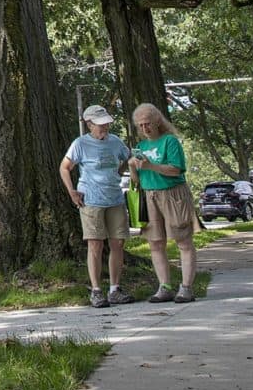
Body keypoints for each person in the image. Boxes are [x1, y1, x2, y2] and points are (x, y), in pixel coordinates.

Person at [60, 104, 135, 307]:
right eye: (100, 125)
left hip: (115, 199)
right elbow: (65, 167)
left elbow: (128, 158)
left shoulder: (115, 142)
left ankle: (115, 289)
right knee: (95, 244)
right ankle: (96, 290)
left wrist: (119, 172)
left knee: (118, 242)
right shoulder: (80, 144)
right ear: (89, 124)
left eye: (106, 124)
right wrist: (72, 192)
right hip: (91, 200)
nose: (105, 128)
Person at [131, 101, 199, 303]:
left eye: (148, 123)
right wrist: (133, 166)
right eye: (140, 125)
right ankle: (164, 286)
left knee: (183, 241)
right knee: (155, 242)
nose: (145, 128)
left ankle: (186, 287)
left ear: (157, 121)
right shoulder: (141, 146)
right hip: (150, 195)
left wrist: (151, 165)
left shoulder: (169, 141)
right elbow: (137, 180)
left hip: (173, 194)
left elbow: (176, 169)